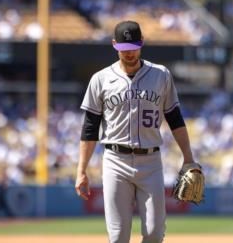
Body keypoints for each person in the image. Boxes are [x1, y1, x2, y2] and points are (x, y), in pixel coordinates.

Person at [75, 20, 199, 243]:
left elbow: (174, 118)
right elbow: (90, 128)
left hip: (150, 161)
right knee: (119, 236)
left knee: (154, 233)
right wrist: (81, 170)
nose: (129, 53)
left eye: (133, 47)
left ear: (141, 43)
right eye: (124, 49)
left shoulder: (161, 75)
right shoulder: (100, 79)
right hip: (115, 160)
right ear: (114, 45)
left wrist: (188, 158)